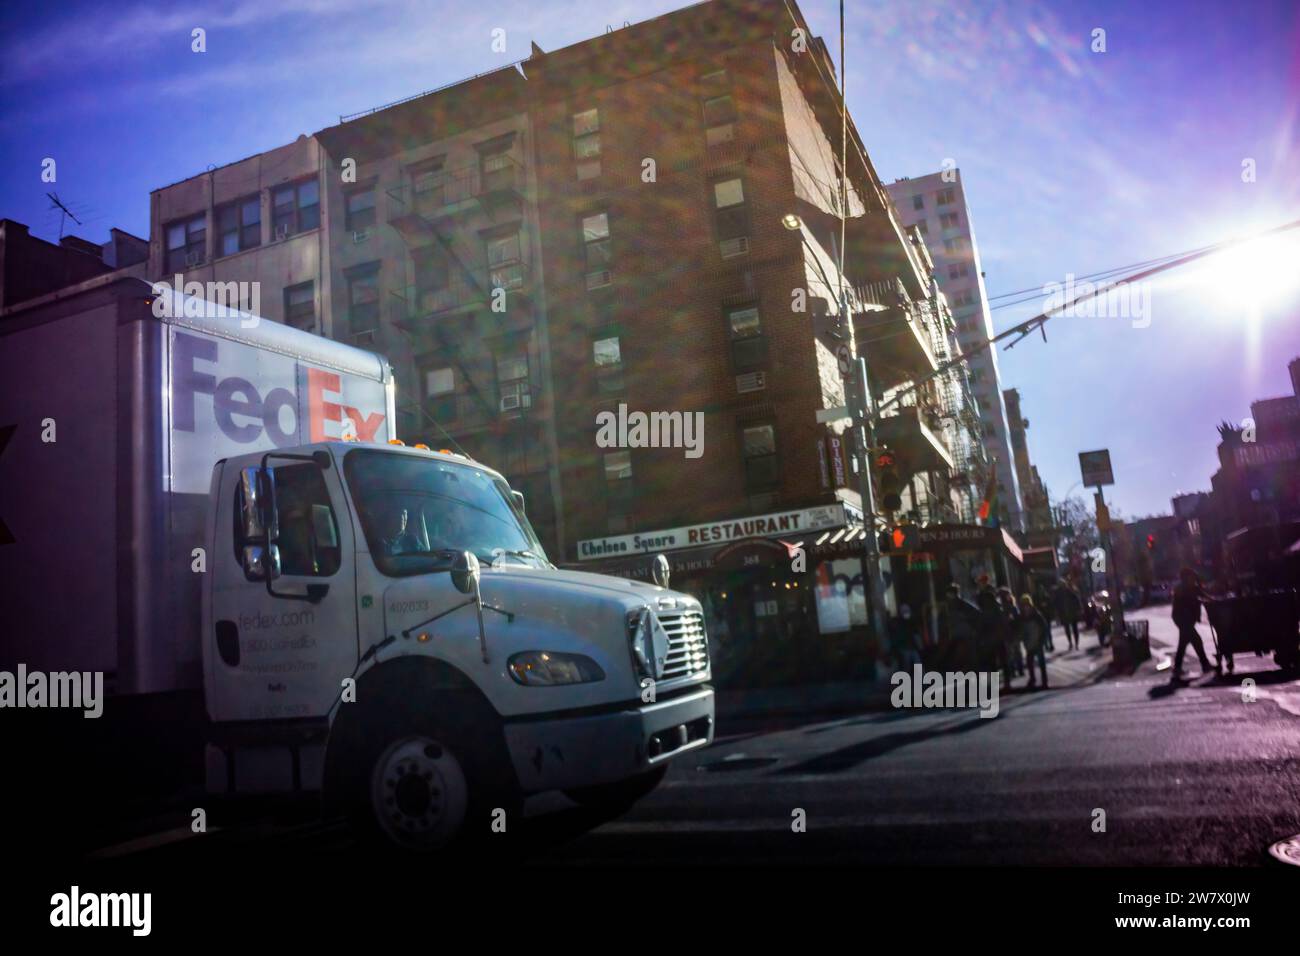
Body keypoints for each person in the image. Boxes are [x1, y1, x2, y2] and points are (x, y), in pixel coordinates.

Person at [1171, 567, 1215, 682]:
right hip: (1182, 619)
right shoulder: (1181, 589)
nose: (1194, 579)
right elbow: (1188, 600)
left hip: (1187, 620)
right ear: (1185, 578)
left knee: (1183, 643)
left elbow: (1204, 595)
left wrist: (1212, 600)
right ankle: (1205, 665)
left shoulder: (1193, 587)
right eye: (1191, 577)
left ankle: (1177, 668)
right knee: (1196, 640)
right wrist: (1200, 601)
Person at [941, 583, 981, 671]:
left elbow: (976, 614)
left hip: (967, 634)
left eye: (951, 593)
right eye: (948, 593)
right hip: (955, 635)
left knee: (972, 659)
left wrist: (967, 621)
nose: (949, 596)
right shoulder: (948, 606)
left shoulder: (963, 604)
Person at [1017, 593, 1050, 689]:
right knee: (1030, 662)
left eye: (1026, 605)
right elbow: (1020, 629)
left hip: (1038, 641)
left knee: (1041, 662)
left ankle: (1044, 681)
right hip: (1029, 643)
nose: (1025, 607)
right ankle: (1033, 679)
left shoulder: (1036, 615)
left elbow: (1044, 627)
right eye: (1023, 605)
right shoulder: (1022, 616)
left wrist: (1043, 641)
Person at [1055, 578, 1082, 650]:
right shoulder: (1058, 593)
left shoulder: (1070, 591)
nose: (1062, 586)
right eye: (1061, 585)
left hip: (1072, 613)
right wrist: (1057, 614)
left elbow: (1077, 600)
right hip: (1064, 614)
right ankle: (1070, 642)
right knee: (1067, 629)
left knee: (1074, 628)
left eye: (1063, 585)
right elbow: (1057, 605)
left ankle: (1076, 643)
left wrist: (1078, 609)